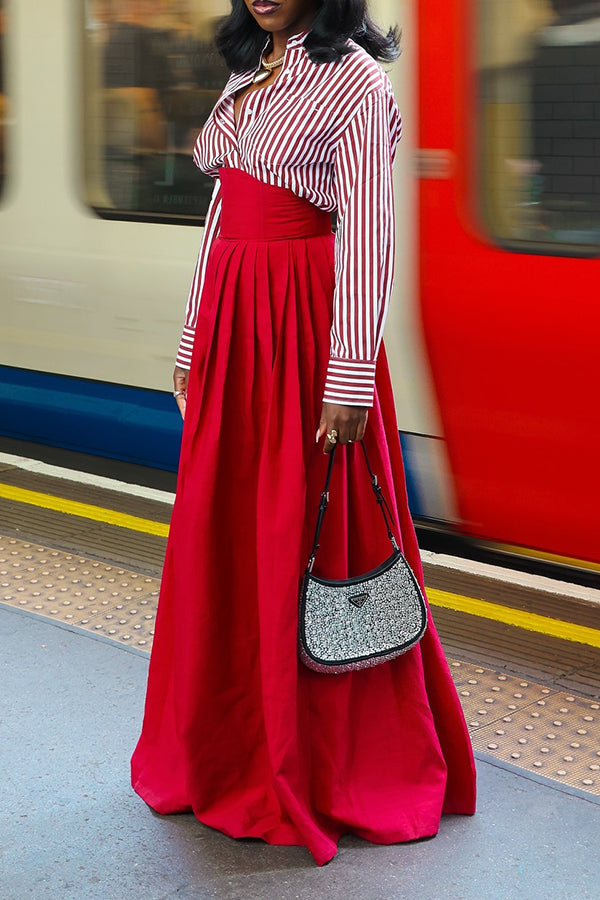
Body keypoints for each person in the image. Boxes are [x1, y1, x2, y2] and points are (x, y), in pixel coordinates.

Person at [131, 0, 477, 867]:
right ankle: (231, 745)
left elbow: (367, 234)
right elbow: (220, 220)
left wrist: (350, 373)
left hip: (303, 328)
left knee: (314, 536)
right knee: (231, 534)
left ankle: (324, 762)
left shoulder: (355, 80)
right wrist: (190, 338)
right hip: (236, 326)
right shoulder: (251, 68)